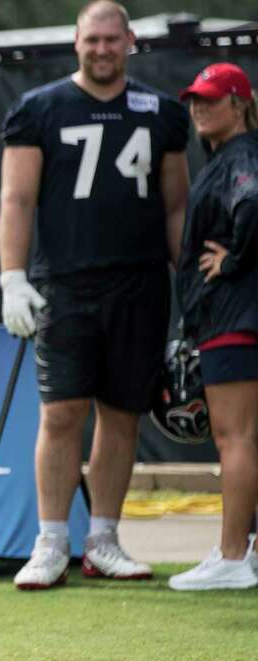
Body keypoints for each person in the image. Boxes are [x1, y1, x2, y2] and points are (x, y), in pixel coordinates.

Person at [0, 1, 190, 590]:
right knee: (60, 413)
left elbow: (176, 205)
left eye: (112, 39)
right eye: (92, 39)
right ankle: (51, 539)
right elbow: (16, 200)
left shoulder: (162, 112)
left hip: (140, 282)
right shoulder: (39, 109)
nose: (102, 49)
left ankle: (102, 538)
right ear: (76, 42)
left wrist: (196, 289)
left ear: (130, 41)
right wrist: (12, 276)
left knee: (123, 414)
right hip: (66, 280)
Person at [168, 64, 258, 591]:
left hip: (233, 318)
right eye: (195, 100)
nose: (199, 107)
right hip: (235, 317)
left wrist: (234, 261)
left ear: (239, 104)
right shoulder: (227, 156)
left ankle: (231, 556)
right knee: (246, 437)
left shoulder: (241, 156)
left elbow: (252, 205)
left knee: (236, 437)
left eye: (212, 99)